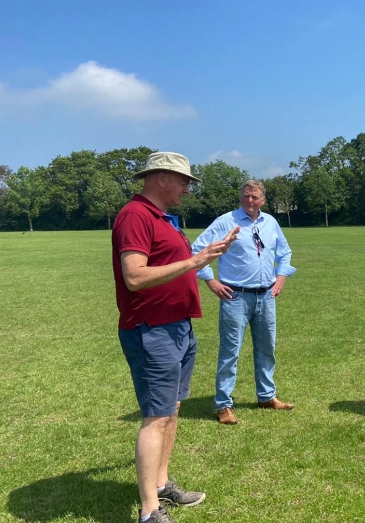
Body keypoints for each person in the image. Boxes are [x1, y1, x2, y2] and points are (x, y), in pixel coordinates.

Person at [112, 152, 239, 523]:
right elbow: (134, 276)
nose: (187, 188)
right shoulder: (135, 215)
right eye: (183, 181)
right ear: (161, 178)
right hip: (152, 328)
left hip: (177, 325)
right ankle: (149, 512)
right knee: (156, 416)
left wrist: (205, 255)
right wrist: (196, 261)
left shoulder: (164, 217)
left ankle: (162, 483)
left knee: (172, 410)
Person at [191, 180, 297, 425]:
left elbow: (285, 251)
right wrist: (210, 280)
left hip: (266, 295)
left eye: (255, 197)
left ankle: (266, 396)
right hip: (235, 296)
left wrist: (281, 277)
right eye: (246, 196)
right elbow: (197, 249)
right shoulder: (226, 222)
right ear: (240, 197)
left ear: (263, 200)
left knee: (267, 349)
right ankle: (224, 405)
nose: (250, 200)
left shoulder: (270, 222)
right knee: (230, 352)